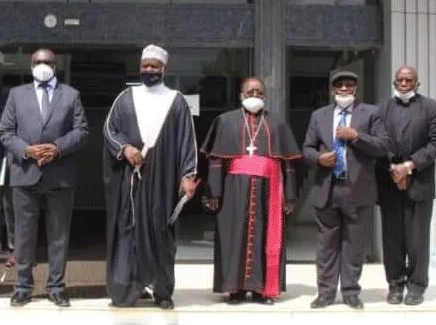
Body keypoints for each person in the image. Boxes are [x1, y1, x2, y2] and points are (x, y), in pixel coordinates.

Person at [102, 44, 198, 310]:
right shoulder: (125, 97)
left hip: (163, 181)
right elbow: (109, 129)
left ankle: (162, 292)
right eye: (145, 65)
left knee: (160, 235)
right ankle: (125, 291)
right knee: (127, 234)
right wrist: (125, 148)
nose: (149, 70)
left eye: (154, 66)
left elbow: (186, 142)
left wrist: (188, 175)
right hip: (130, 182)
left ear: (164, 69)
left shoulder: (176, 100)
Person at [0, 48, 89, 308]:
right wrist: (27, 150)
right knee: (24, 235)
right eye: (38, 62)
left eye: (47, 62)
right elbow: (5, 131)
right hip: (25, 173)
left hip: (59, 176)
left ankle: (56, 287)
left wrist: (57, 148)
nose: (43, 65)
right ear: (31, 65)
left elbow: (82, 131)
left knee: (59, 235)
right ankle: (23, 287)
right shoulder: (16, 95)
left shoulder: (71, 95)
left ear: (56, 65)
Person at [200, 77, 300, 305]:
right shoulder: (225, 121)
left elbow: (289, 163)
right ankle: (233, 289)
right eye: (249, 90)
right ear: (241, 95)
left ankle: (261, 289)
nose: (254, 94)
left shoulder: (277, 123)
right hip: (234, 189)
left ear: (264, 96)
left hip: (269, 189)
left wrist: (290, 196)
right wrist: (214, 192)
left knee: (264, 236)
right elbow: (215, 160)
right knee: (233, 236)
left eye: (259, 91)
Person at [303, 71, 387, 310]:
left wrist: (356, 136)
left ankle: (351, 292)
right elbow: (307, 149)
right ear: (332, 90)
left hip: (357, 189)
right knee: (326, 245)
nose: (344, 89)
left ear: (356, 90)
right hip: (328, 188)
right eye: (339, 86)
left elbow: (383, 146)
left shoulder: (371, 113)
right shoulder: (319, 116)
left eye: (349, 86)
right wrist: (319, 158)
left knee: (354, 244)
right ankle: (326, 293)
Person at [375, 65, 436, 306]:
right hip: (390, 182)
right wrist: (394, 168)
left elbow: (434, 144)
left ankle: (417, 286)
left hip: (419, 182)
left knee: (417, 238)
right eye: (400, 80)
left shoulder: (431, 108)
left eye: (409, 80)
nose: (404, 83)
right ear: (394, 83)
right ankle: (395, 285)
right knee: (392, 238)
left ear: (417, 84)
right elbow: (379, 141)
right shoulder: (384, 108)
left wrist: (409, 166)